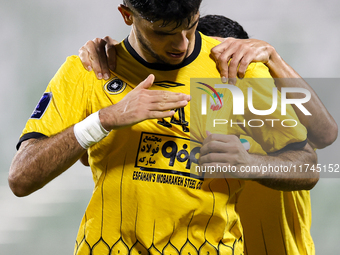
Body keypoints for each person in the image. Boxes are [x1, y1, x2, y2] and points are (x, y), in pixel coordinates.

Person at [8, 2, 319, 255]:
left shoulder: (239, 70)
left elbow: (308, 166)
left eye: (191, 25)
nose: (181, 44)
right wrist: (103, 120)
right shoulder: (89, 71)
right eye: (163, 33)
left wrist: (250, 164)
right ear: (127, 14)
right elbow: (22, 178)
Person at [79, 14, 338, 255]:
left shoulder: (265, 99)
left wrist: (272, 58)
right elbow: (90, 154)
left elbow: (326, 135)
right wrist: (111, 62)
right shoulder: (184, 101)